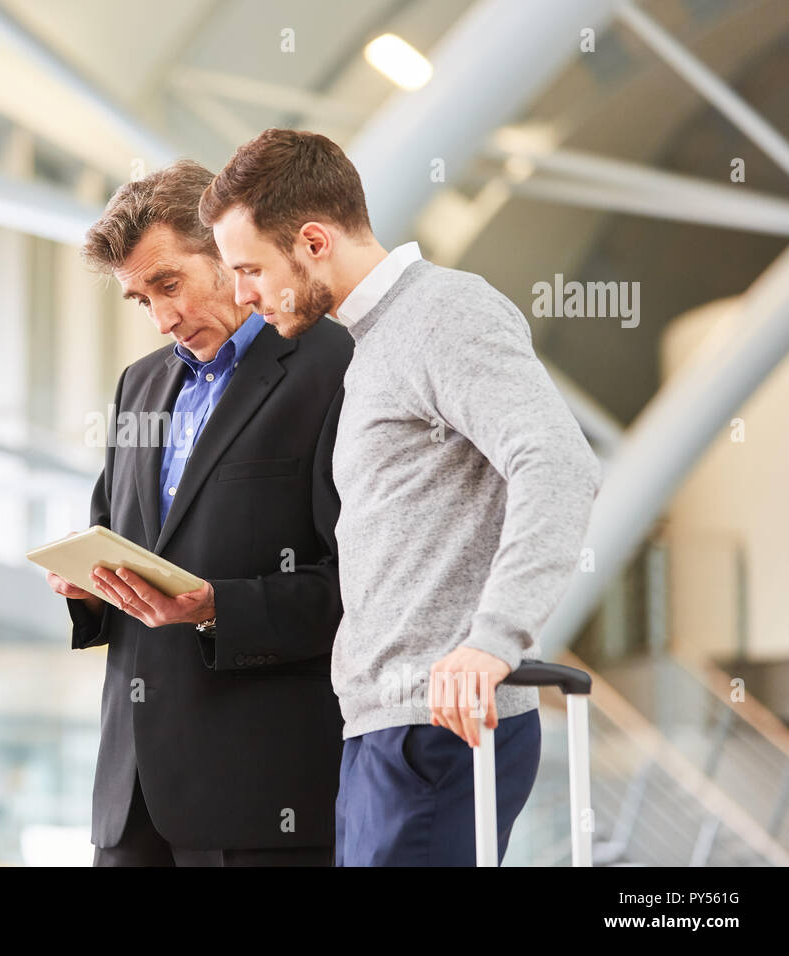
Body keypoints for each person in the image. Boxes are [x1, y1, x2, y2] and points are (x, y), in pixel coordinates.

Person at [201, 129, 601, 866]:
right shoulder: (372, 345)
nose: (242, 296)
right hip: (383, 730)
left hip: (439, 729)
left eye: (250, 269)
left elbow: (558, 461)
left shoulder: (445, 313)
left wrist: (493, 638)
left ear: (314, 241)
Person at [45, 160, 352, 865]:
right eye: (140, 299)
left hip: (262, 797)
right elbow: (114, 534)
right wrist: (88, 584)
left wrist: (217, 607)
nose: (162, 319)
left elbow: (357, 587)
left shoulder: (332, 366)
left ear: (224, 248)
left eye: (169, 283)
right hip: (132, 797)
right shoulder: (140, 386)